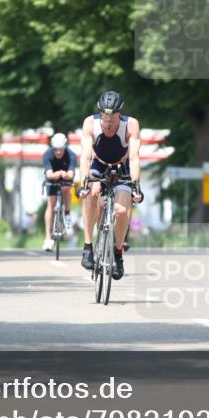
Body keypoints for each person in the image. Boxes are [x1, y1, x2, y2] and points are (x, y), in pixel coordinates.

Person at [77, 90, 143, 279]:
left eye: (112, 118)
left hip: (122, 166)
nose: (107, 122)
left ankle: (118, 252)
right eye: (104, 117)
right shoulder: (90, 123)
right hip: (99, 165)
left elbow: (135, 157)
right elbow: (85, 157)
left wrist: (136, 185)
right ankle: (88, 247)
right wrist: (84, 183)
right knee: (92, 194)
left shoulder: (130, 125)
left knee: (122, 211)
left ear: (119, 114)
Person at [42, 132, 77, 251]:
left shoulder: (71, 155)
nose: (58, 152)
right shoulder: (47, 154)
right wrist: (55, 174)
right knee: (51, 203)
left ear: (65, 147)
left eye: (61, 149)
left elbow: (71, 173)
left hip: (66, 177)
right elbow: (48, 173)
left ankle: (67, 215)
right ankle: (48, 237)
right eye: (56, 149)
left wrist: (65, 174)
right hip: (52, 178)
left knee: (66, 189)